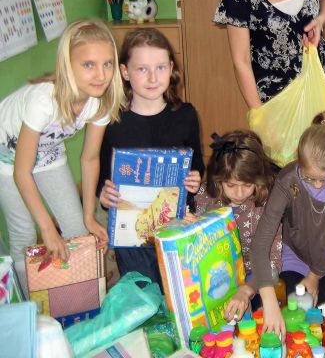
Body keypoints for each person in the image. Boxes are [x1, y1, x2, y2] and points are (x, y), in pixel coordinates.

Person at [0, 19, 124, 290]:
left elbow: (89, 158)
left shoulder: (99, 102)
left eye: (108, 64)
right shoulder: (44, 100)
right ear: (67, 64)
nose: (101, 75)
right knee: (24, 233)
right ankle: (28, 302)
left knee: (78, 228)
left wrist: (89, 215)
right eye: (88, 65)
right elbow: (22, 172)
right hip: (6, 157)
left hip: (48, 152)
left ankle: (77, 296)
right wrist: (46, 228)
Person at [98, 27, 204, 285]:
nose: (153, 77)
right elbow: (103, 176)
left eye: (160, 67)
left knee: (178, 289)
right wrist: (103, 193)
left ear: (171, 68)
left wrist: (195, 179)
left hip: (176, 224)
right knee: (142, 292)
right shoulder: (113, 121)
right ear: (125, 72)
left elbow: (197, 165)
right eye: (142, 69)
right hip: (132, 232)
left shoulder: (185, 115)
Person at [251, 111, 325, 338]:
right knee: (293, 311)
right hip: (297, 248)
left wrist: (314, 276)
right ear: (299, 162)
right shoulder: (287, 179)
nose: (318, 185)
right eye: (310, 178)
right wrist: (269, 302)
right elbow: (260, 243)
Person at [194, 130, 282, 321]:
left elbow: (273, 261)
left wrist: (247, 290)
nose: (239, 193)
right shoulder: (204, 198)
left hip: (255, 277)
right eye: (231, 185)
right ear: (218, 180)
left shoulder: (267, 205)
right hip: (214, 276)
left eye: (247, 185)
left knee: (256, 313)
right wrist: (188, 225)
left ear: (258, 181)